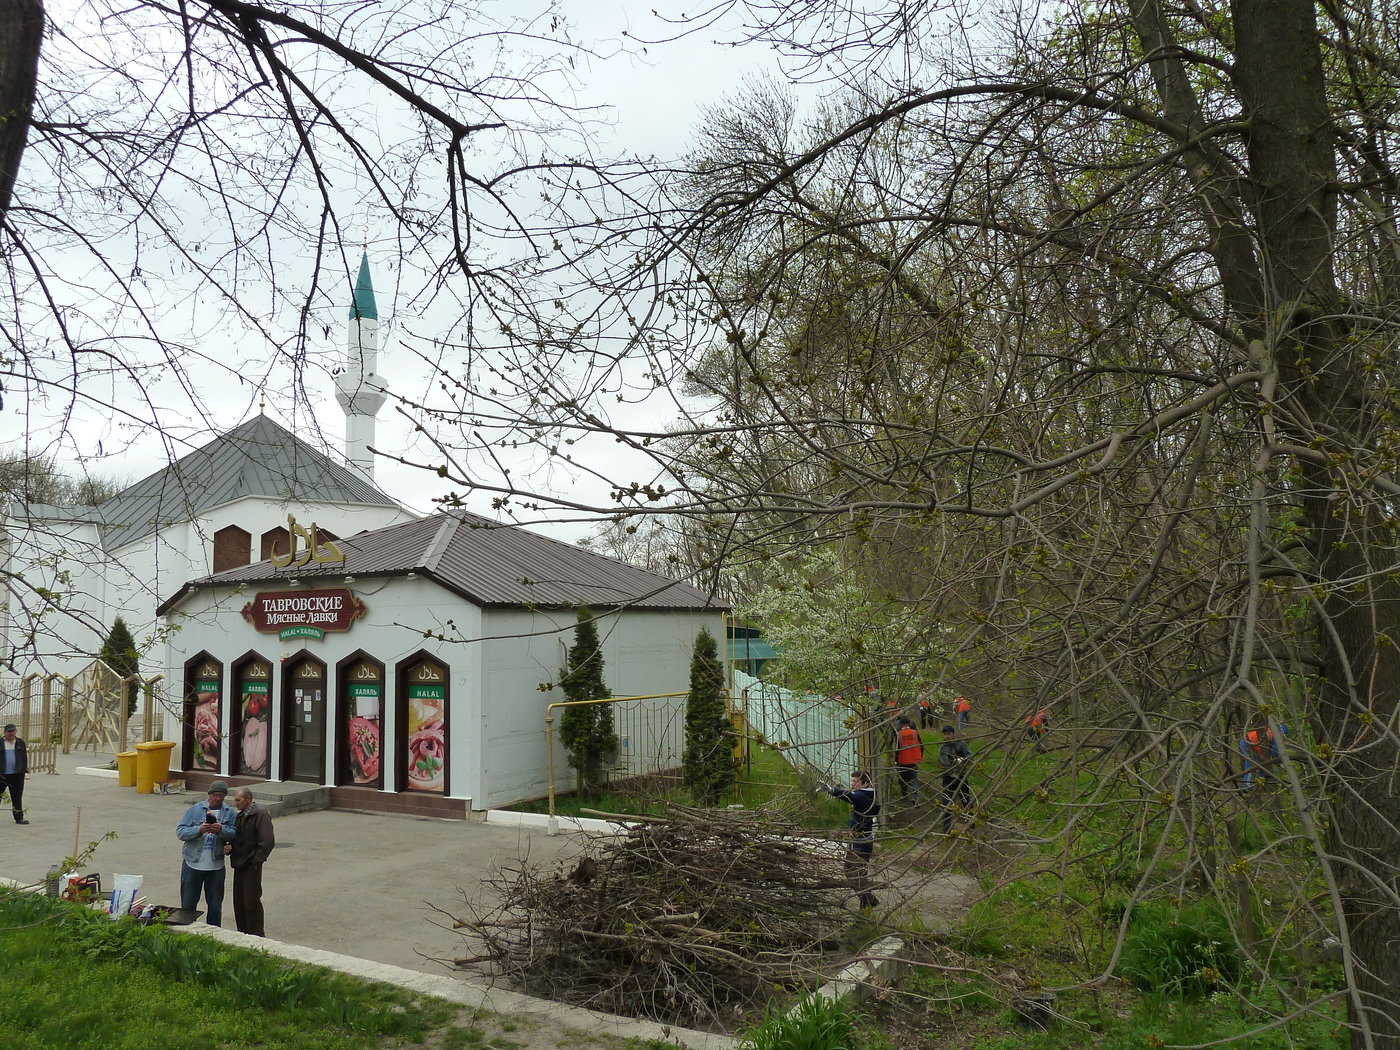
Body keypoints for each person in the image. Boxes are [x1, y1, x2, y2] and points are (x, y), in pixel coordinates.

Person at [177, 780, 236, 926]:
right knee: (188, 905)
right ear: (209, 794)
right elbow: (181, 832)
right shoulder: (195, 810)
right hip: (193, 864)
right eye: (216, 795)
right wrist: (199, 830)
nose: (218, 798)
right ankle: (187, 931)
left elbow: (234, 834)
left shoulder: (229, 812)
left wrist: (221, 829)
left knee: (215, 905)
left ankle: (213, 933)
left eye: (221, 795)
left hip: (216, 867)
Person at [819, 771, 880, 909]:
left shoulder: (863, 796)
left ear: (866, 782)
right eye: (852, 781)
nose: (852, 784)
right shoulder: (870, 794)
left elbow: (849, 796)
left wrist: (831, 790)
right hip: (860, 839)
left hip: (861, 842)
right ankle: (868, 900)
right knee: (854, 871)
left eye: (855, 782)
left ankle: (867, 902)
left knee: (855, 873)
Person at [229, 786, 276, 936]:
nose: (236, 803)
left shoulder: (260, 814)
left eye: (238, 800)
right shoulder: (240, 816)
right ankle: (242, 933)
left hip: (251, 865)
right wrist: (230, 848)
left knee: (251, 901)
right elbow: (239, 838)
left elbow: (267, 840)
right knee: (239, 901)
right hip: (239, 863)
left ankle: (256, 935)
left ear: (248, 799)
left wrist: (256, 861)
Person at [938, 724, 973, 832]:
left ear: (953, 734)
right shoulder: (943, 748)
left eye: (948, 734)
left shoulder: (960, 744)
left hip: (961, 777)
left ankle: (972, 823)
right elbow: (944, 762)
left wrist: (962, 760)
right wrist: (952, 764)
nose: (947, 736)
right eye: (945, 734)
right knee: (946, 803)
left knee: (965, 800)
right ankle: (947, 828)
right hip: (948, 777)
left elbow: (969, 755)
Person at [1, 724, 29, 824]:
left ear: (16, 731)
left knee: (17, 797)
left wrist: (24, 770)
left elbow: (24, 758)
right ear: (5, 733)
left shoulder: (20, 742)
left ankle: (19, 817)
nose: (11, 733)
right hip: (2, 775)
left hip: (17, 775)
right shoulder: (1, 743)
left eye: (13, 731)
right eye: (9, 731)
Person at [894, 717, 924, 802]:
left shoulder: (898, 734)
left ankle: (904, 796)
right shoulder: (915, 732)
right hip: (914, 759)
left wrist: (896, 760)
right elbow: (921, 745)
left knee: (902, 779)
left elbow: (897, 749)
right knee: (914, 779)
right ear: (909, 724)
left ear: (901, 724)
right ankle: (915, 797)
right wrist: (920, 756)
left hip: (902, 760)